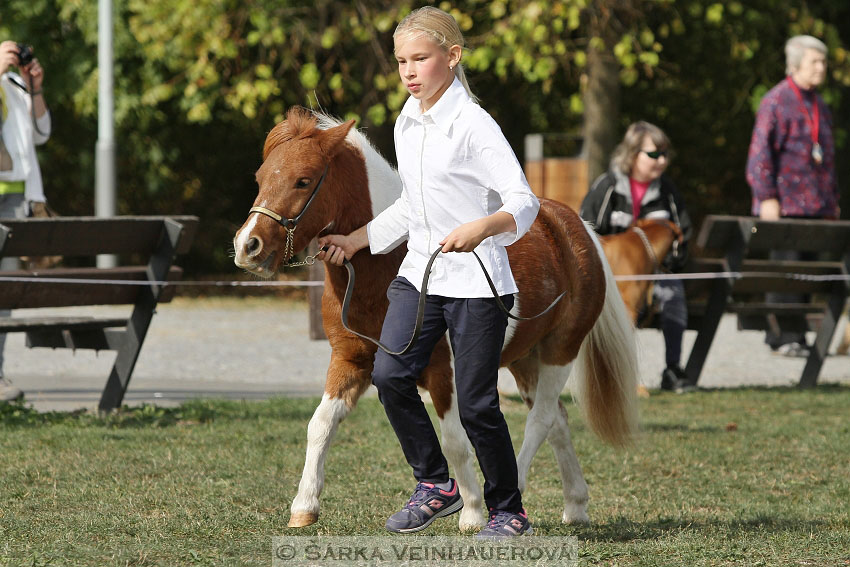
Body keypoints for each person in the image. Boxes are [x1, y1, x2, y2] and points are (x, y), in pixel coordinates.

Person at [317, 6, 539, 538]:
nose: (409, 71)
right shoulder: (406, 121)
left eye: (421, 58)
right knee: (392, 376)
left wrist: (482, 227)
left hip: (477, 283)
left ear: (453, 57)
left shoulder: (474, 125)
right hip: (420, 275)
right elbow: (411, 207)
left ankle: (509, 512)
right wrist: (356, 238)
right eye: (401, 61)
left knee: (478, 404)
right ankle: (435, 484)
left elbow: (523, 203)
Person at [580, 121, 693, 393]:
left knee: (672, 294)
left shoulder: (668, 192)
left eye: (665, 154)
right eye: (653, 154)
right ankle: (609, 376)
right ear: (632, 154)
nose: (661, 161)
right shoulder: (606, 186)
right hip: (608, 277)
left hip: (656, 275)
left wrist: (663, 267)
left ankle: (673, 369)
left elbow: (683, 236)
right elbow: (585, 232)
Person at [746, 35, 838, 358]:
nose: (821, 67)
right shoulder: (776, 100)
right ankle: (783, 337)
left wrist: (832, 199)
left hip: (816, 206)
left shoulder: (819, 104)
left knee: (807, 274)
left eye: (823, 61)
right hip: (785, 205)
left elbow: (826, 157)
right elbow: (759, 155)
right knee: (786, 271)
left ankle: (796, 335)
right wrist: (766, 196)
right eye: (815, 61)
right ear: (796, 63)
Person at [0, 40, 51, 402]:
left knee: (3, 293)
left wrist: (34, 87)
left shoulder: (13, 87)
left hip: (19, 198)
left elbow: (42, 133)